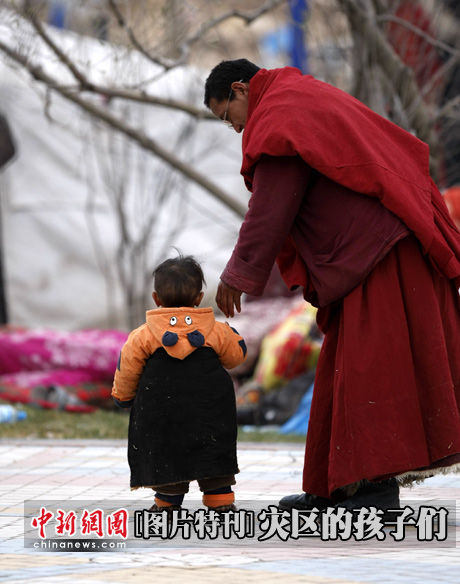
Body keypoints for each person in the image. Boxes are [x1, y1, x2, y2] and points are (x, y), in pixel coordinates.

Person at [204, 59, 460, 517]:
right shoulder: (297, 97)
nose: (235, 128)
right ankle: (334, 487)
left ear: (240, 90)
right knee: (341, 369)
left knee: (371, 371)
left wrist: (237, 274)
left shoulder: (280, 114)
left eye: (228, 116)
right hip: (372, 252)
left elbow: (271, 207)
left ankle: (377, 492)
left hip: (382, 252)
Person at [112, 254, 247, 512]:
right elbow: (236, 358)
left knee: (166, 452)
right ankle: (220, 501)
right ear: (199, 298)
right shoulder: (216, 331)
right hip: (210, 410)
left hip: (162, 412)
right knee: (212, 450)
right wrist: (232, 335)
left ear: (156, 298)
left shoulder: (143, 335)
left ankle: (166, 504)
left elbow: (127, 368)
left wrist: (123, 396)